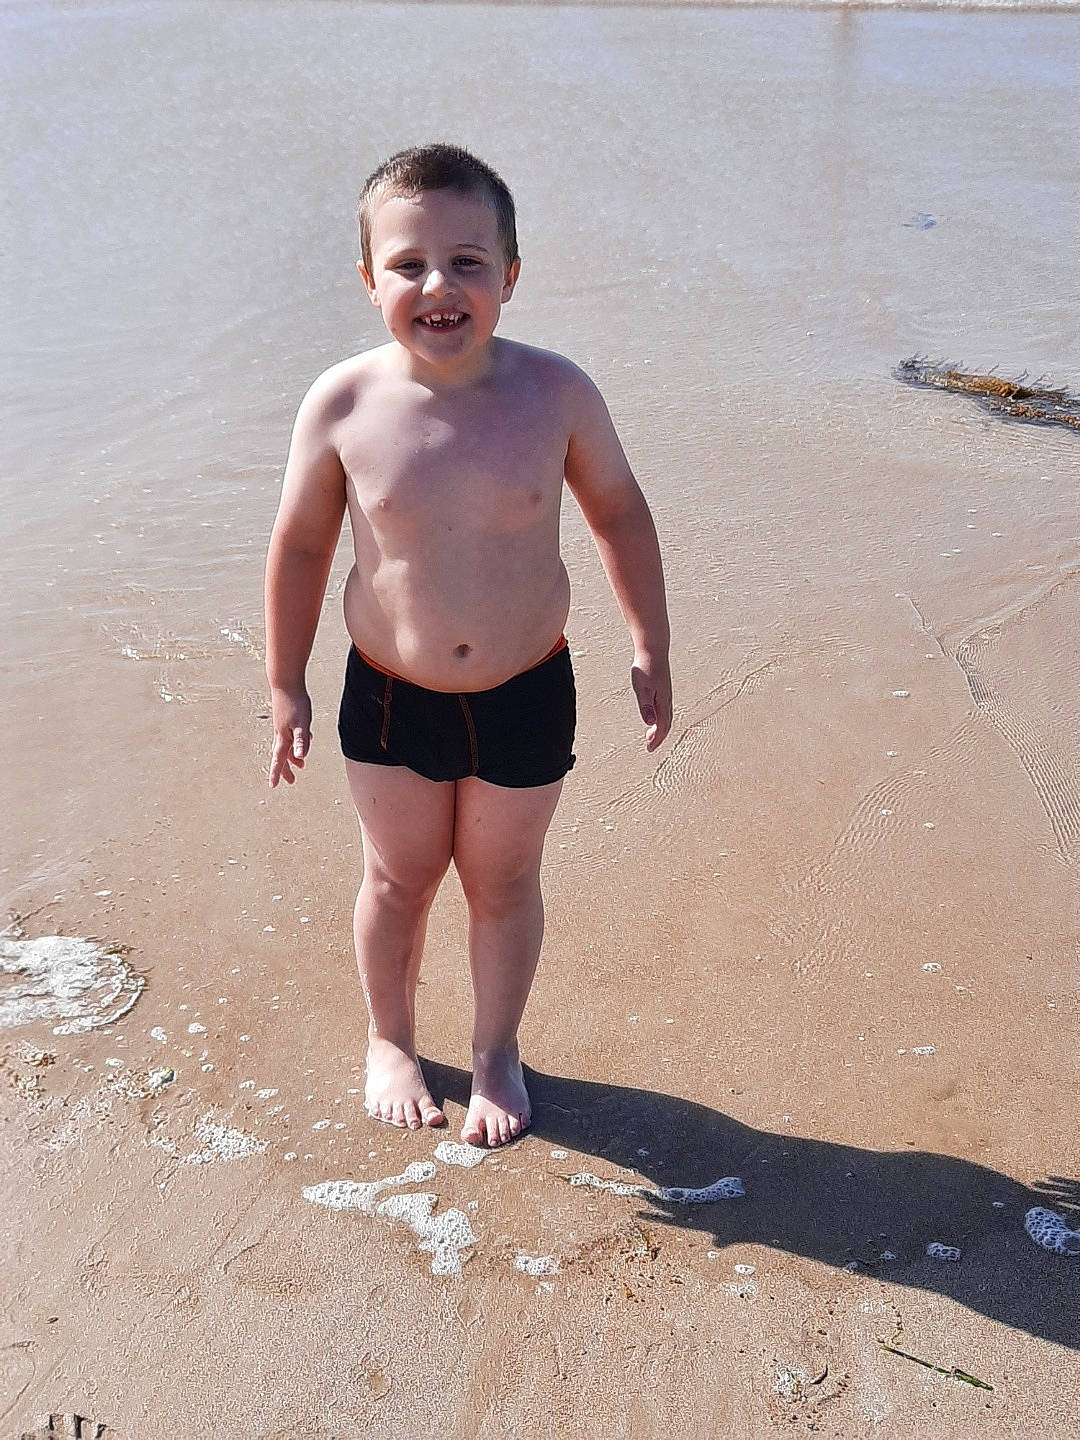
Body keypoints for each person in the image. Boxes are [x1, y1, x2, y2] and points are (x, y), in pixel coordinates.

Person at [264, 143, 671, 1148]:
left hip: (526, 689)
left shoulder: (556, 394)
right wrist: (286, 682)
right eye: (408, 264)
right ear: (370, 281)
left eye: (468, 262)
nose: (438, 285)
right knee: (398, 877)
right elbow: (303, 544)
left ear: (511, 275)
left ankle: (495, 1052)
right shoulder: (343, 404)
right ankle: (390, 1039)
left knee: (504, 881)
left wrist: (649, 643)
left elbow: (619, 512)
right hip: (390, 693)